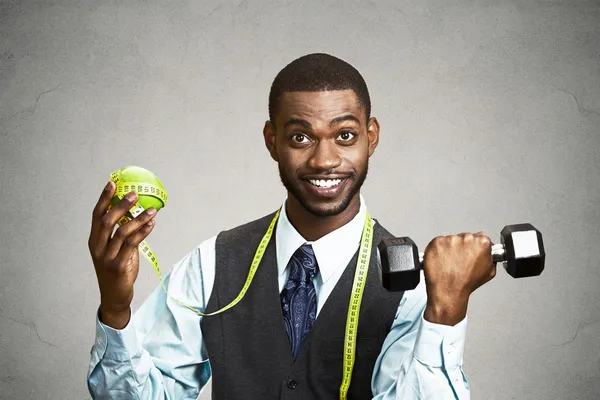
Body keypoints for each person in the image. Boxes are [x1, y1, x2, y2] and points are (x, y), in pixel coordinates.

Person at [87, 53, 495, 399]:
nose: (324, 160)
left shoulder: (413, 284)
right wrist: (117, 308)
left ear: (371, 137)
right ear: (272, 140)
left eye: (345, 135)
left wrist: (445, 313)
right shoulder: (211, 264)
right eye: (301, 138)